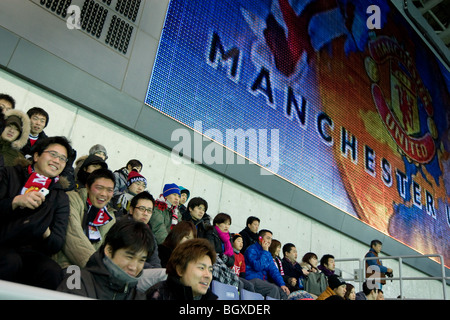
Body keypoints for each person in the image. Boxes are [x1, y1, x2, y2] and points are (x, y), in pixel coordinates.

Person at [0, 136, 73, 290]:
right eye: (53, 154)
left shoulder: (60, 196)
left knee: (51, 271)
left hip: (30, 251)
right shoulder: (9, 174)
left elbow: (56, 242)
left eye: (62, 158)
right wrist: (16, 201)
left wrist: (44, 229)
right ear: (36, 156)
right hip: (2, 241)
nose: (57, 161)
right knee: (11, 261)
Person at [57, 218, 154, 300]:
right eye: (129, 257)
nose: (133, 267)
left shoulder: (137, 296)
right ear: (109, 250)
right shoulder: (77, 281)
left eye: (141, 260)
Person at [54, 168, 116, 269]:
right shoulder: (71, 199)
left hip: (91, 269)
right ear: (87, 187)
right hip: (64, 265)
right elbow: (73, 236)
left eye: (109, 190)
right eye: (99, 188)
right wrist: (96, 268)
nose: (104, 194)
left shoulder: (109, 217)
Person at [146, 238, 218, 300]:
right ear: (180, 270)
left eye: (210, 270)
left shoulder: (210, 298)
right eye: (201, 268)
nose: (208, 275)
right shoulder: (158, 295)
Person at [244, 229, 290, 299]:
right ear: (260, 238)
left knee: (283, 292)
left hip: (263, 282)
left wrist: (282, 284)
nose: (269, 241)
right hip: (252, 280)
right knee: (273, 289)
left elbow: (274, 270)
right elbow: (258, 266)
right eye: (268, 238)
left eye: (271, 239)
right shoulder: (251, 249)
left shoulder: (267, 253)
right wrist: (265, 251)